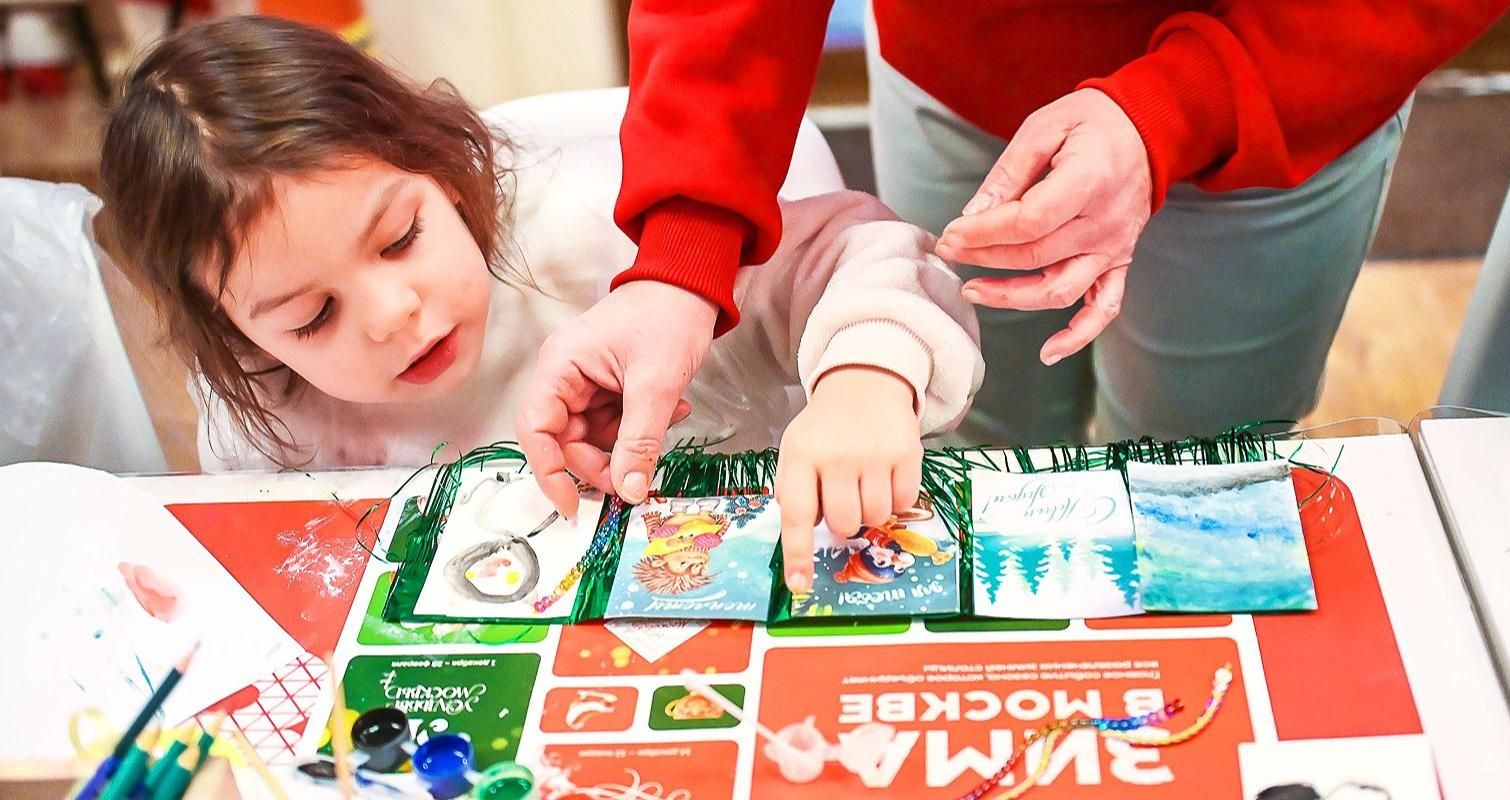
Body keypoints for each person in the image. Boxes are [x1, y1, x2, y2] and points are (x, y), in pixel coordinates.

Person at [97, 16, 983, 592]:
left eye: (401, 238)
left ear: (443, 171)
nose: (392, 313)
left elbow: (871, 250)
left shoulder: (601, 239)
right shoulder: (262, 418)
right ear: (237, 335)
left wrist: (863, 380)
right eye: (311, 317)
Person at [523, 0, 1510, 504]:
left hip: (1280, 71)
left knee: (1199, 466)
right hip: (961, 61)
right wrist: (684, 242)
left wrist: (1187, 105)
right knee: (976, 429)